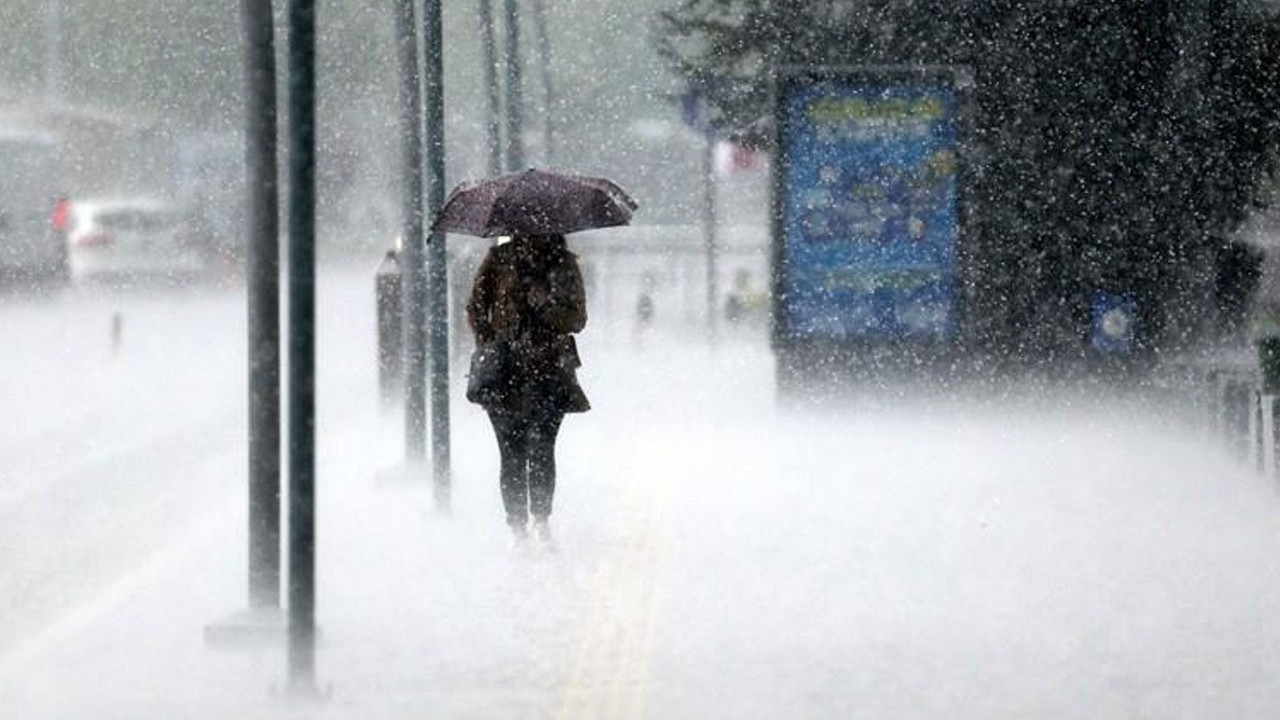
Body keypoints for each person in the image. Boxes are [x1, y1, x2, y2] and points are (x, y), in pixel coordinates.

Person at [466, 233, 589, 549]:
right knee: (511, 452)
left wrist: (545, 305)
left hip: (549, 370)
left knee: (543, 449)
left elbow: (577, 319)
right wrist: (490, 341)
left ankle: (541, 520)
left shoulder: (563, 264)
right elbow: (476, 306)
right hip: (505, 373)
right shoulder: (499, 260)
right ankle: (518, 527)